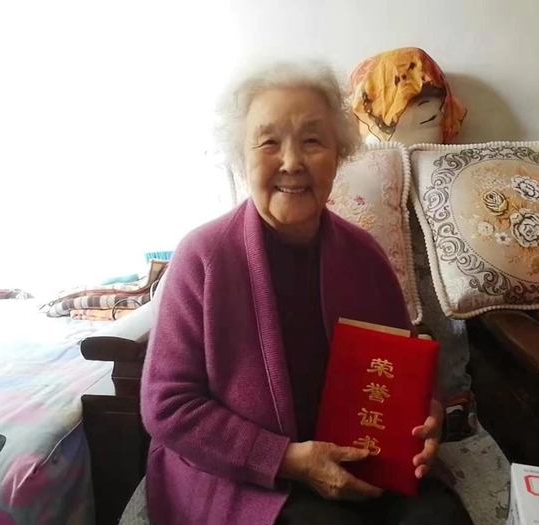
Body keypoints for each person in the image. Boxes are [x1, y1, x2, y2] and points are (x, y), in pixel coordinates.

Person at [140, 61, 473, 525]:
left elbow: (402, 370)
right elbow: (168, 406)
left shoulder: (364, 254)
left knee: (438, 518)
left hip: (362, 456)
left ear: (339, 155)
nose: (292, 162)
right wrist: (288, 460)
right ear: (242, 157)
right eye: (268, 142)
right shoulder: (203, 257)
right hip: (244, 472)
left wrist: (425, 413)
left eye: (312, 141)